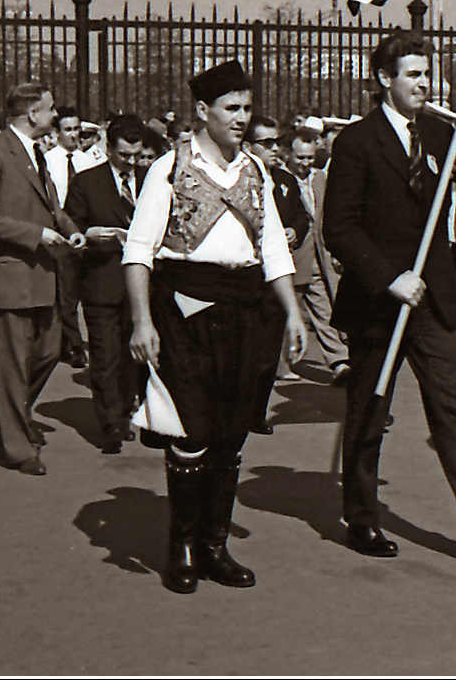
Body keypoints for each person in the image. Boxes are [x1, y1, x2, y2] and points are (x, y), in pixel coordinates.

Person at [323, 31, 456, 567]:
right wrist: (389, 277)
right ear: (384, 80)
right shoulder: (356, 142)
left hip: (435, 298)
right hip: (381, 300)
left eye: (426, 73)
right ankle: (362, 517)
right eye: (412, 74)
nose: (424, 83)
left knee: (453, 410)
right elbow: (339, 229)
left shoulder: (441, 131)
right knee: (370, 412)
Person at [123, 60, 307, 594]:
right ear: (203, 111)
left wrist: (293, 312)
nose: (242, 119)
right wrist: (141, 322)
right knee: (192, 430)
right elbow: (139, 251)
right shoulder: (168, 169)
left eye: (247, 109)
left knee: (230, 434)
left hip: (247, 311)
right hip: (184, 308)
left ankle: (214, 546)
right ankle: (181, 547)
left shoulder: (256, 170)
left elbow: (272, 246)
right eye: (232, 108)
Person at [0, 82, 85, 474]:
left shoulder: (36, 152)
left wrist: (68, 228)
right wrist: (35, 235)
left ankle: (6, 408)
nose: (54, 116)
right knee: (13, 364)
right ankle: (17, 447)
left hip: (43, 275)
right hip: (11, 276)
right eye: (49, 109)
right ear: (32, 113)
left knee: (49, 353)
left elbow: (50, 205)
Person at [64, 114, 147, 454]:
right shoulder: (86, 182)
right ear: (108, 148)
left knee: (134, 355)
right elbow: (71, 228)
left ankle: (126, 410)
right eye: (124, 155)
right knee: (106, 354)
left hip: (142, 284)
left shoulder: (152, 178)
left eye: (136, 155)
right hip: (102, 279)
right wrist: (86, 235)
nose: (130, 162)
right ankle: (111, 421)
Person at [245, 114, 310, 410]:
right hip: (245, 276)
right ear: (248, 146)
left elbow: (300, 216)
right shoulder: (238, 179)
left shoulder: (285, 181)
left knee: (270, 347)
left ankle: (257, 409)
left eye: (277, 142)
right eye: (266, 143)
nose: (275, 149)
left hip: (277, 275)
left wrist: (293, 230)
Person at [285, 125, 348, 383]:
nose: (304, 163)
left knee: (324, 308)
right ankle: (283, 363)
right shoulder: (280, 179)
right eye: (300, 157)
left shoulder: (321, 178)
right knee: (289, 310)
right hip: (294, 256)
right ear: (289, 154)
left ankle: (339, 361)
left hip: (319, 257)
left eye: (309, 158)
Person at [45, 106, 95, 369]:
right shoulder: (49, 161)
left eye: (77, 129)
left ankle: (82, 341)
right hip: (60, 233)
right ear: (56, 133)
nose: (74, 135)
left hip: (86, 232)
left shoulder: (89, 160)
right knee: (66, 294)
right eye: (68, 129)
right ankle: (72, 346)